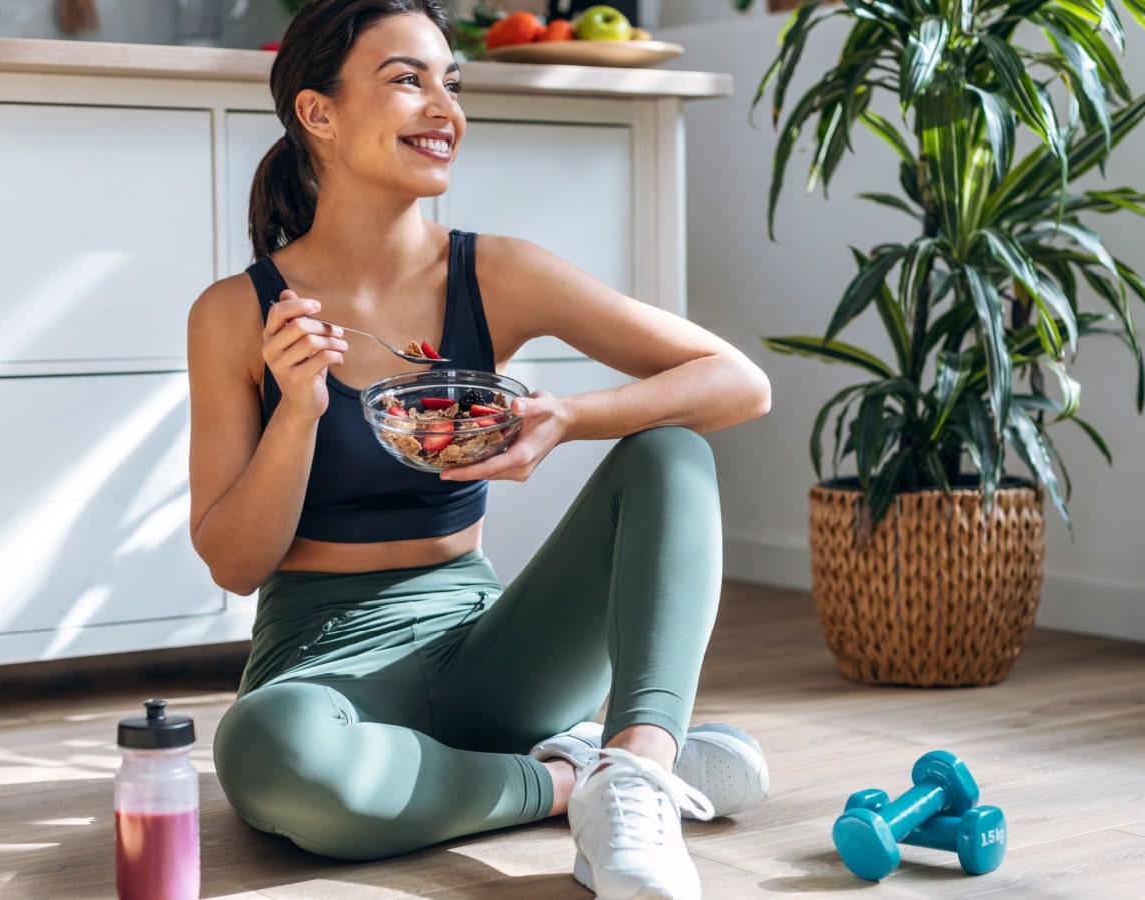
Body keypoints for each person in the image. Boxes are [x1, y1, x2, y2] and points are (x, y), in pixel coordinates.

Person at [188, 2, 772, 897]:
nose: (444, 107)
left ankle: (639, 769)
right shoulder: (236, 314)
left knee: (669, 452)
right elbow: (234, 563)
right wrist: (297, 411)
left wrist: (570, 417)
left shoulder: (495, 273)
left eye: (450, 83)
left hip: (490, 651)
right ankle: (573, 781)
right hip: (323, 665)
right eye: (406, 80)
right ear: (319, 113)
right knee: (267, 753)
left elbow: (737, 381)